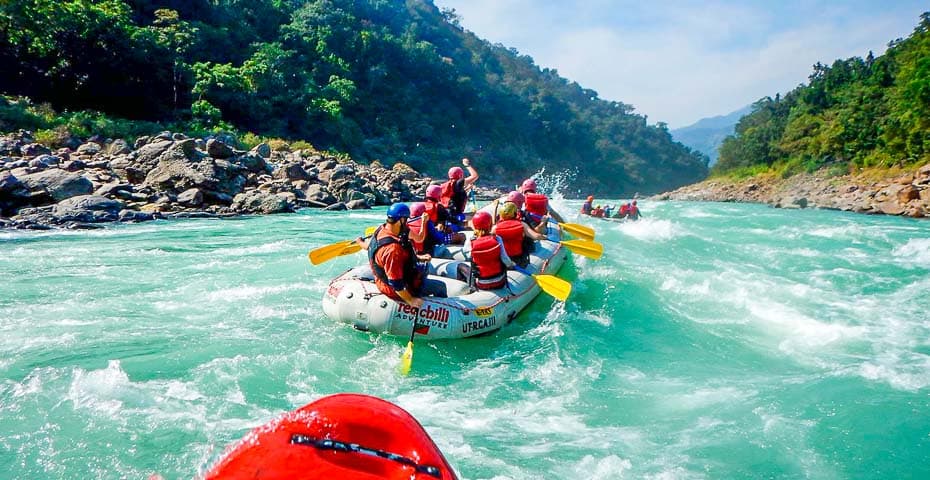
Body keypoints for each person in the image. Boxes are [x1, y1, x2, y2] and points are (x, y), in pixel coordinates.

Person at [367, 203, 431, 307]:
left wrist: (417, 257)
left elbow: (372, 249)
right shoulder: (392, 250)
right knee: (439, 286)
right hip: (392, 289)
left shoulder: (380, 229)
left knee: (421, 267)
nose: (407, 223)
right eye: (405, 220)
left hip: (381, 280)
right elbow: (396, 283)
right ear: (401, 220)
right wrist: (411, 300)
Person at [462, 211, 514, 290]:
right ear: (489, 225)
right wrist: (511, 265)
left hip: (481, 283)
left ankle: (472, 288)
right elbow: (505, 259)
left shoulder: (470, 241)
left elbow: (467, 254)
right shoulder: (497, 238)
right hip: (500, 281)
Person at [492, 201, 547, 267]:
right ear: (515, 213)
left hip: (502, 262)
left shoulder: (495, 228)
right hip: (519, 260)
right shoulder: (522, 224)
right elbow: (536, 236)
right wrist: (545, 237)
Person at [440, 157, 479, 222]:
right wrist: (467, 165)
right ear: (460, 175)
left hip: (448, 213)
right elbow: (475, 176)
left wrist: (467, 189)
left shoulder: (448, 184)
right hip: (456, 216)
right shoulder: (459, 182)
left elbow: (455, 196)